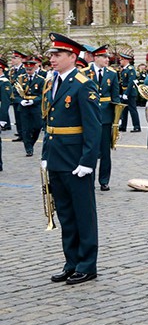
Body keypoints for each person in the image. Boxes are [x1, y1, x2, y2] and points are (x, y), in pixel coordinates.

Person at [41, 33, 101, 285]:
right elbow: (50, 122)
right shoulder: (52, 81)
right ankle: (71, 262)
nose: (52, 59)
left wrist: (87, 161)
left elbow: (93, 126)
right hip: (57, 157)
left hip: (76, 161)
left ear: (72, 57)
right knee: (65, 214)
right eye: (51, 55)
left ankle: (87, 265)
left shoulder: (82, 83)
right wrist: (45, 155)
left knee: (83, 214)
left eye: (57, 55)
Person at [91, 46, 121, 192]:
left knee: (105, 151)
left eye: (107, 57)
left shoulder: (112, 74)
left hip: (106, 117)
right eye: (104, 57)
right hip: (89, 115)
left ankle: (104, 180)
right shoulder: (85, 72)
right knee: (89, 149)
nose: (107, 60)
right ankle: (88, 178)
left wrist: (117, 118)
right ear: (96, 57)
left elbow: (115, 96)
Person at [14, 55, 46, 157]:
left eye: (30, 69)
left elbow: (43, 95)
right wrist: (20, 101)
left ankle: (31, 143)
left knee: (38, 126)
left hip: (35, 106)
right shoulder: (20, 79)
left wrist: (34, 101)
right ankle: (28, 148)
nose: (29, 71)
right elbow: (14, 94)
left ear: (35, 68)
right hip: (24, 107)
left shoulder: (41, 80)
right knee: (25, 129)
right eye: (27, 69)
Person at [118, 52, 141, 133]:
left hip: (130, 93)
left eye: (121, 60)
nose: (120, 61)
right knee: (124, 110)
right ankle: (123, 126)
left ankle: (137, 126)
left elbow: (131, 82)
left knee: (132, 110)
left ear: (125, 60)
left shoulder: (131, 69)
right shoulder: (124, 70)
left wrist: (126, 93)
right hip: (125, 92)